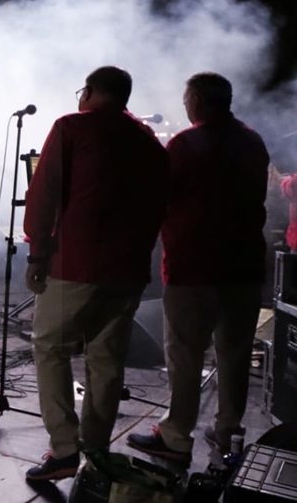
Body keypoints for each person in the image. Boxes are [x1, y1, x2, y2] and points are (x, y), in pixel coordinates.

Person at [23, 66, 169, 482]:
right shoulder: (148, 141)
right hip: (128, 268)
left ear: (88, 93)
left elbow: (44, 191)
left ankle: (65, 450)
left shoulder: (71, 127)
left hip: (76, 262)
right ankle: (97, 450)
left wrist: (37, 255)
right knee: (106, 359)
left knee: (50, 346)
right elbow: (160, 205)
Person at [126, 72, 269, 463]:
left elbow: (159, 194)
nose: (184, 105)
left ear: (198, 101)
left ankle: (176, 436)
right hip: (244, 266)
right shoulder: (253, 141)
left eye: (187, 99)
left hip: (195, 267)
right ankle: (228, 429)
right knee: (235, 354)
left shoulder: (186, 143)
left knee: (186, 355)